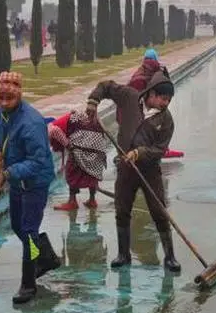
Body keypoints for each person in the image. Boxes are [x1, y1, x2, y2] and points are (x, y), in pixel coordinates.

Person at [85, 71, 181, 272]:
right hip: (125, 169)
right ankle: (123, 254)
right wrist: (93, 101)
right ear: (152, 93)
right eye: (163, 98)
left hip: (149, 170)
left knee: (159, 212)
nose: (166, 103)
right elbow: (106, 85)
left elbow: (159, 149)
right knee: (122, 210)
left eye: (169, 100)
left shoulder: (166, 119)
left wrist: (139, 152)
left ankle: (170, 256)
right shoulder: (130, 97)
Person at [0, 71, 60, 304]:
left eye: (8, 98)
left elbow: (37, 161)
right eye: (1, 98)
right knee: (17, 225)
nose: (4, 102)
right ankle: (45, 257)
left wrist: (8, 173)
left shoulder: (31, 122)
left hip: (35, 181)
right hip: (17, 181)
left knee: (28, 230)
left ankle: (28, 284)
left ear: (19, 94)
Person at [48, 110, 109, 211]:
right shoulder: (71, 119)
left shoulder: (50, 127)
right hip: (98, 146)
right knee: (92, 173)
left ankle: (72, 202)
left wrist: (68, 146)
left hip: (83, 142)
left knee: (71, 171)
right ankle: (92, 200)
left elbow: (55, 132)